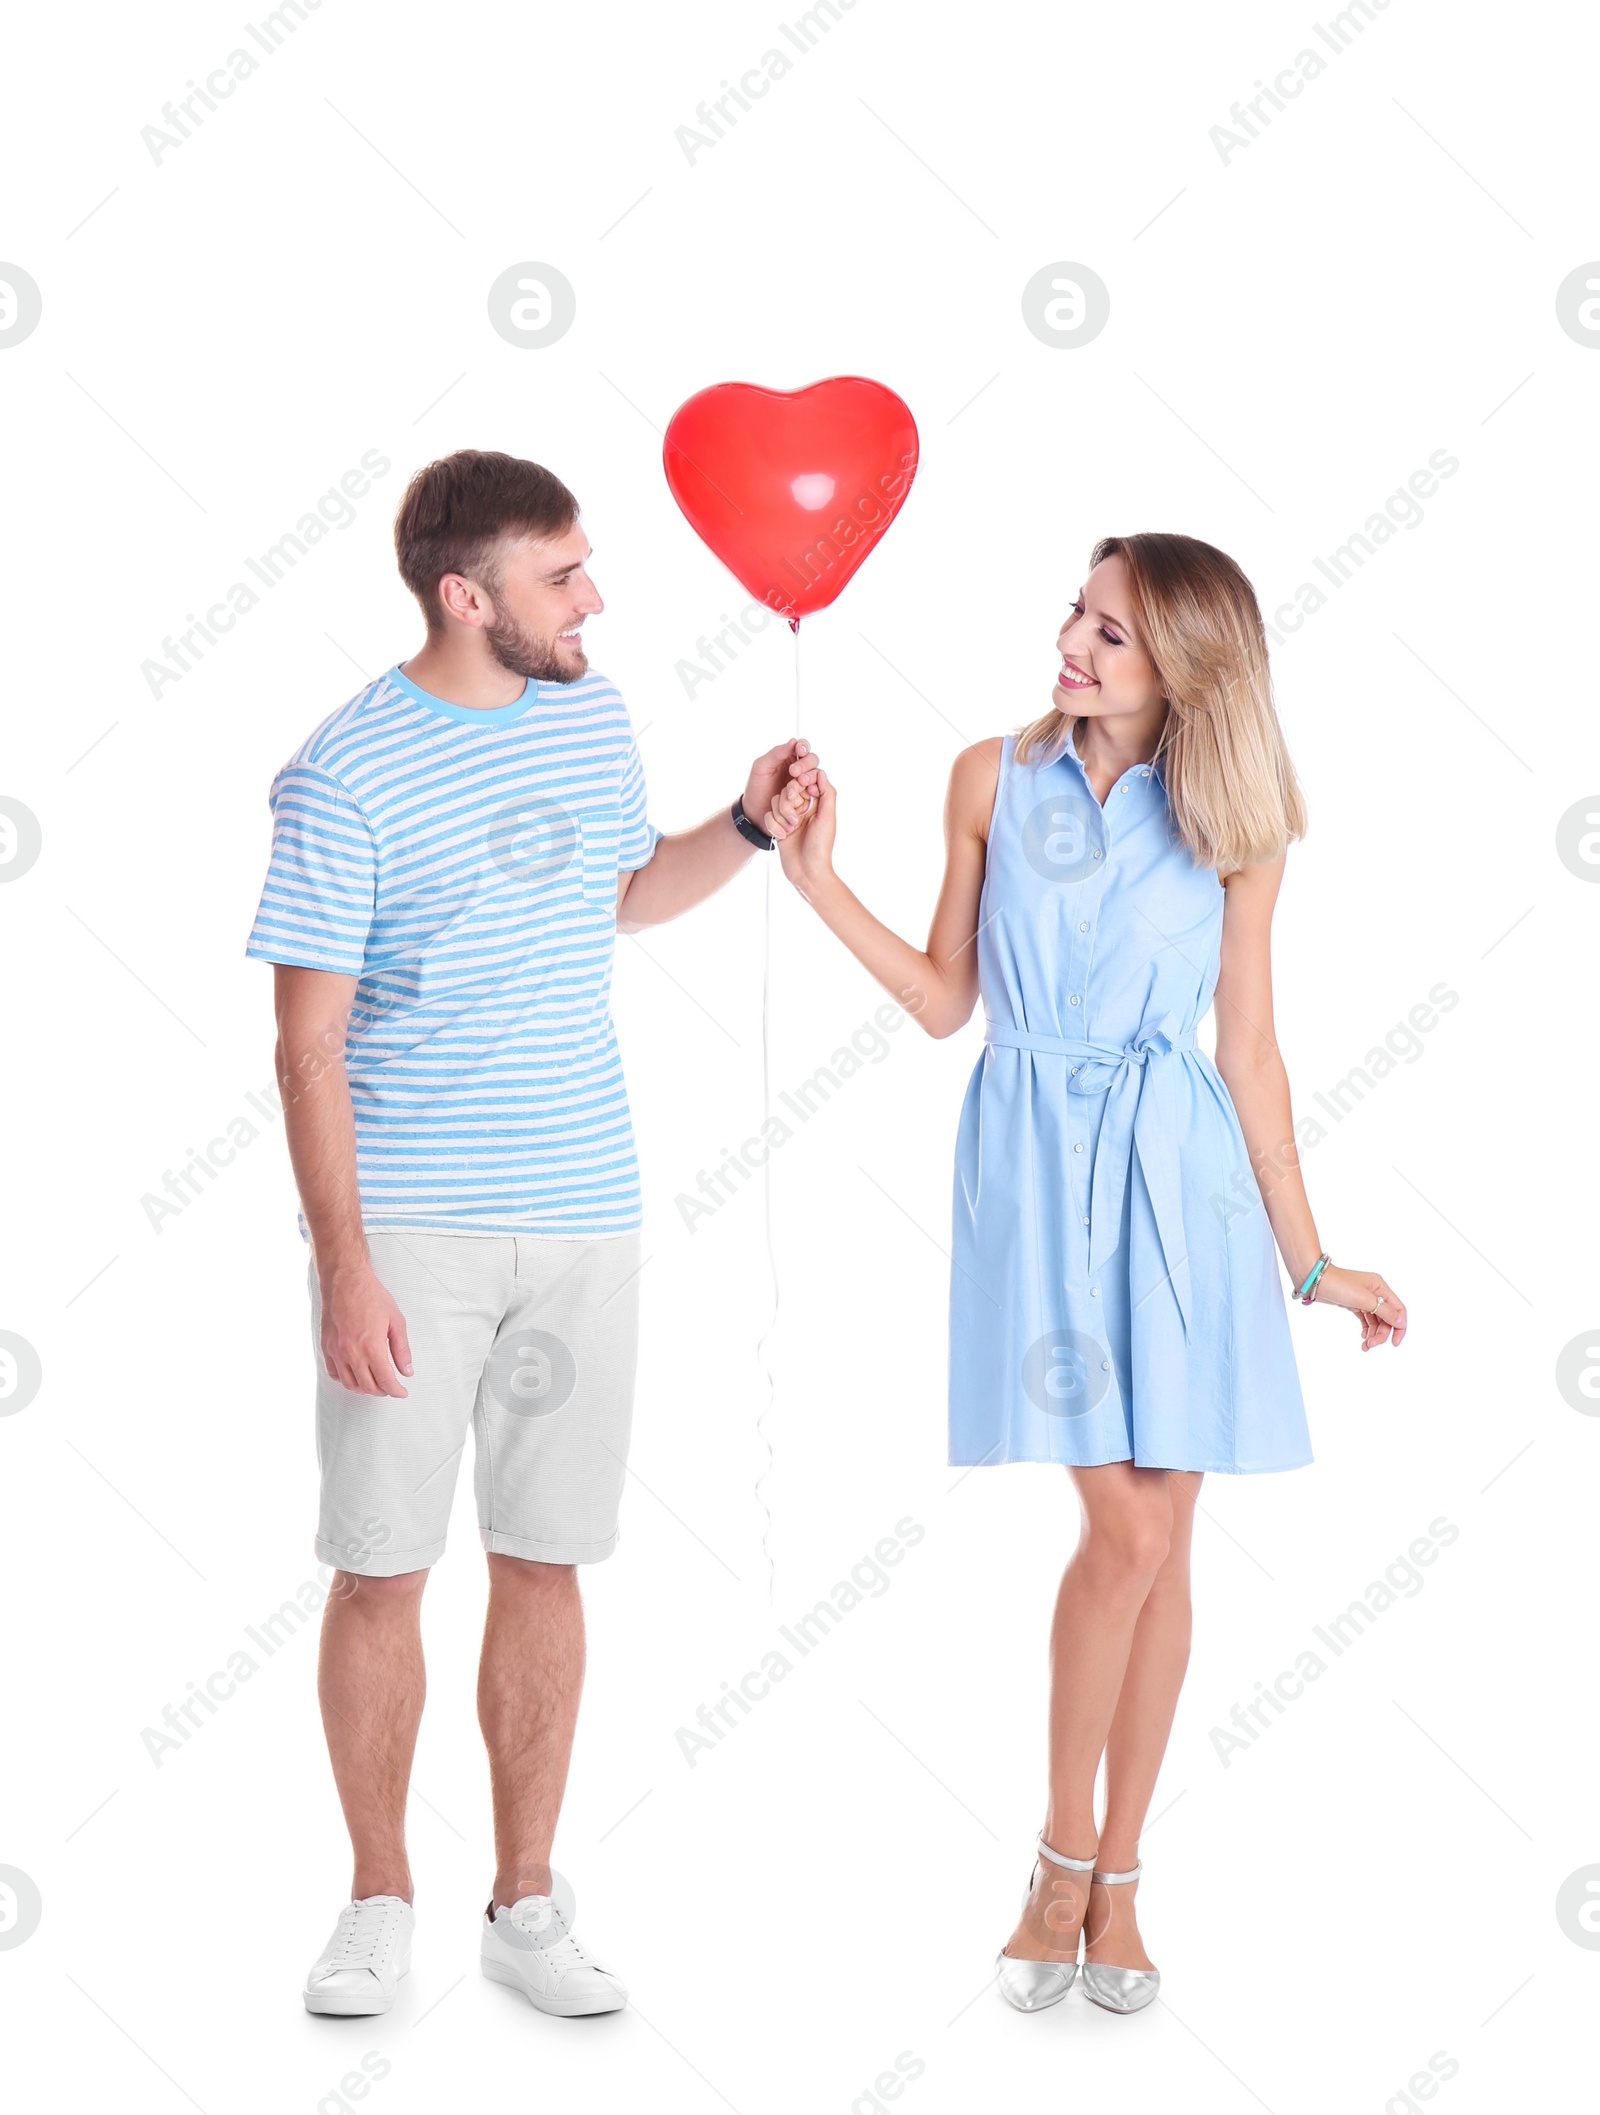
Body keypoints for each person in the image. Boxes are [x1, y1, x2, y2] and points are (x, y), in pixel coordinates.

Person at [767, 533, 1407, 2014]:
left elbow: (1248, 1046)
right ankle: (1062, 1857)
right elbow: (944, 1003)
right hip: (1037, 1167)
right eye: (1078, 611)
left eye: (1112, 632)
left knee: (1166, 1539)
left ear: (1186, 661)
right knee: (1122, 1530)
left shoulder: (1239, 821)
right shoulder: (994, 777)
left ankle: (1112, 1876)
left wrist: (1311, 1258)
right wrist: (814, 878)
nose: (1073, 641)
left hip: (1178, 1174)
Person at [246, 449, 817, 2020]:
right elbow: (307, 1047)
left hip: (585, 1213)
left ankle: (527, 1898)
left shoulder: (594, 711)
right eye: (563, 576)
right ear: (464, 595)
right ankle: (376, 1899)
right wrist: (344, 1262)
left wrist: (747, 828)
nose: (597, 598)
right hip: (410, 1227)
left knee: (547, 1558)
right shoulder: (345, 772)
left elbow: (624, 893)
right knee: (381, 1567)